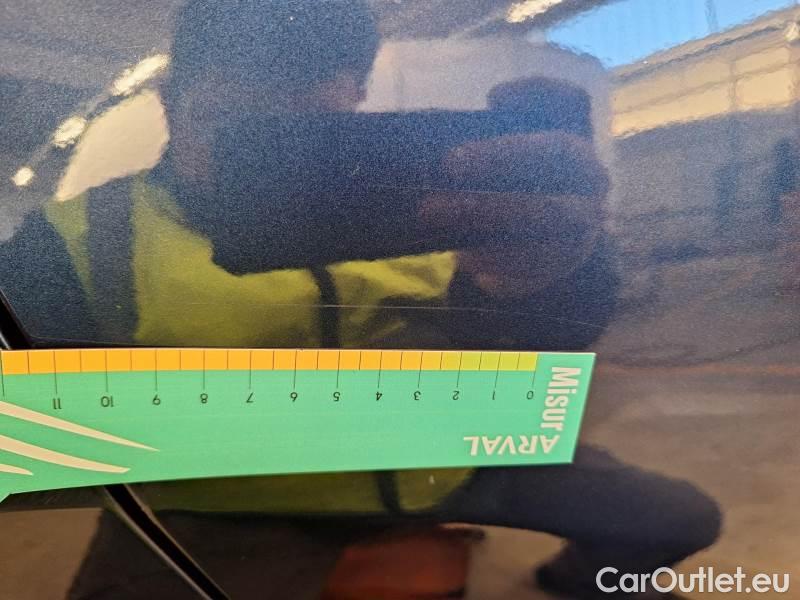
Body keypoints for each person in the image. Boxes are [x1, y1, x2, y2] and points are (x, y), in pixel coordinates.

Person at [0, 2, 720, 598]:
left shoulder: (426, 196)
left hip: (449, 462)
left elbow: (536, 342)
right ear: (170, 101)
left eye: (310, 129)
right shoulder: (79, 238)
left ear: (354, 103)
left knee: (681, 519)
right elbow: (23, 430)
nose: (268, 161)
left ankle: (575, 581)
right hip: (227, 509)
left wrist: (548, 277)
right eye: (234, 124)